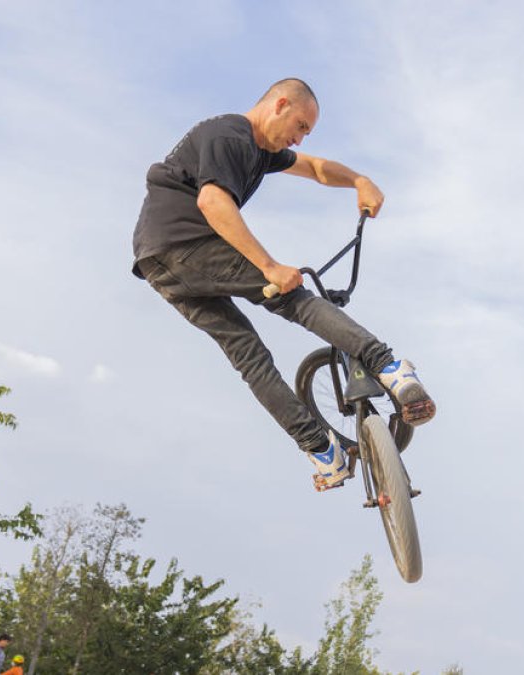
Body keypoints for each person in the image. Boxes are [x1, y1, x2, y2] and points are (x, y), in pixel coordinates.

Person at [132, 78, 436, 490]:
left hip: (158, 263)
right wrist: (269, 266)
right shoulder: (230, 135)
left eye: (306, 132)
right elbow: (212, 202)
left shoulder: (262, 151)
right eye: (301, 125)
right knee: (293, 299)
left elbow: (312, 167)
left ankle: (323, 453)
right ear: (279, 105)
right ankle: (390, 368)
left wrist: (359, 180)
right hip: (185, 243)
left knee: (248, 354)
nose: (301, 136)